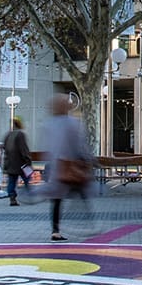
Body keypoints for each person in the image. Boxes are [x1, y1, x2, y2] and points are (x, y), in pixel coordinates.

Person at [39, 92, 93, 241]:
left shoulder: (48, 124)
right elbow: (80, 145)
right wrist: (87, 159)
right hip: (70, 165)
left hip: (55, 166)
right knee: (80, 193)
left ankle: (55, 230)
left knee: (57, 199)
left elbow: (47, 147)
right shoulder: (73, 123)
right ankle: (87, 223)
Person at [2, 116, 33, 206]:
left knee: (12, 181)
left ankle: (12, 197)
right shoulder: (20, 134)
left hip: (10, 163)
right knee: (27, 179)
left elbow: (4, 147)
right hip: (21, 163)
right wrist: (28, 160)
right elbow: (24, 149)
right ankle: (29, 194)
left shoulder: (8, 134)